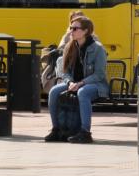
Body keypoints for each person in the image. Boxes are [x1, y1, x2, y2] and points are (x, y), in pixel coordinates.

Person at [45, 15, 108, 144]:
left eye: (75, 29)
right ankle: (56, 130)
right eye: (70, 28)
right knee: (54, 91)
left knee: (83, 92)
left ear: (85, 31)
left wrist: (80, 83)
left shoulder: (98, 48)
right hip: (74, 83)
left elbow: (99, 75)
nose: (71, 31)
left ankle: (85, 132)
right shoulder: (69, 47)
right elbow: (65, 71)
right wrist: (70, 82)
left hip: (96, 85)